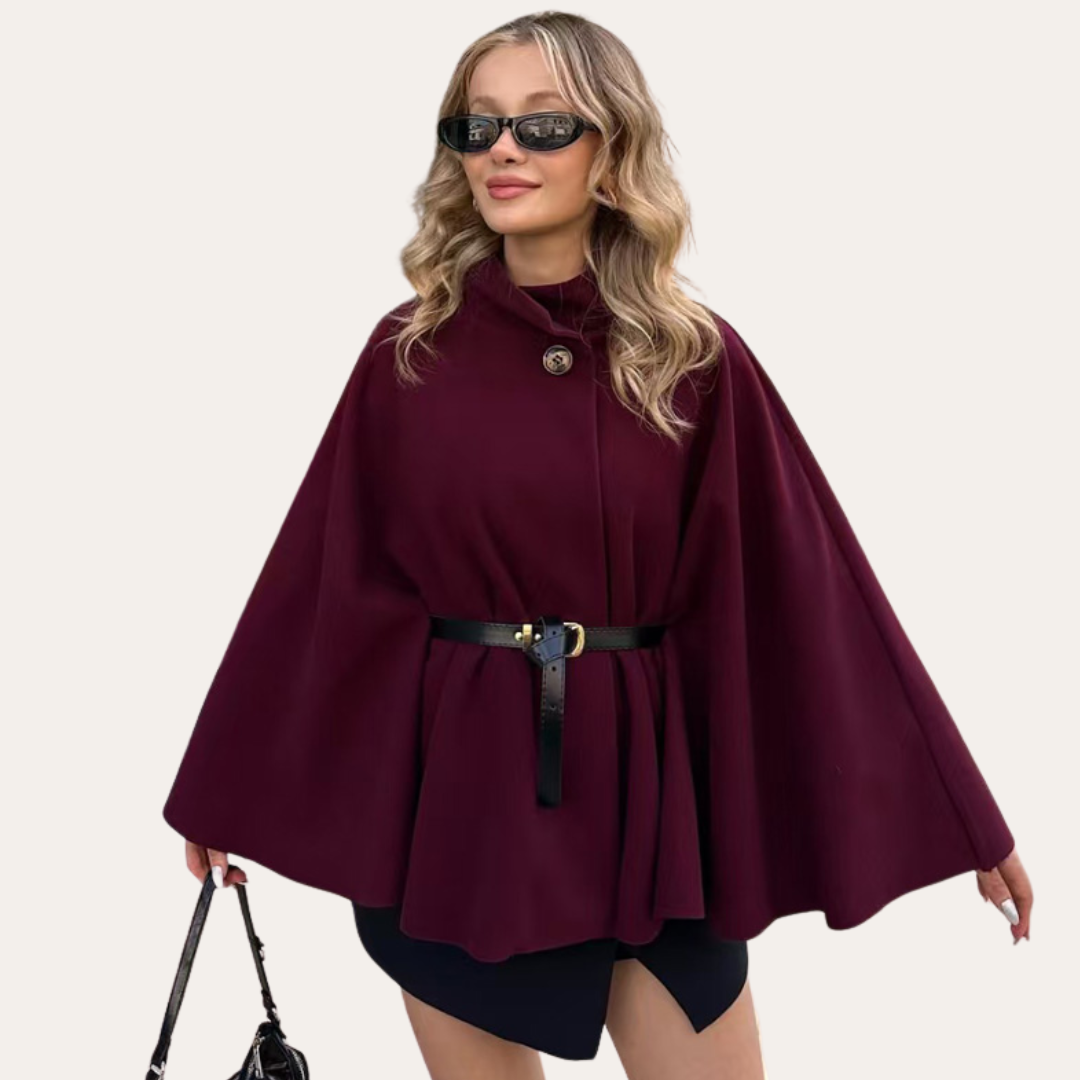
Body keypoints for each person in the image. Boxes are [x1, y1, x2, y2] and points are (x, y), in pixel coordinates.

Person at [163, 12, 1032, 1079]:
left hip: (648, 807)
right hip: (461, 811)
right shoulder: (409, 354)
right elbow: (322, 579)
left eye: (543, 125)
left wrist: (965, 816)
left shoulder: (692, 357)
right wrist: (225, 785)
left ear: (612, 149)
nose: (503, 151)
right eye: (477, 126)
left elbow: (808, 590)